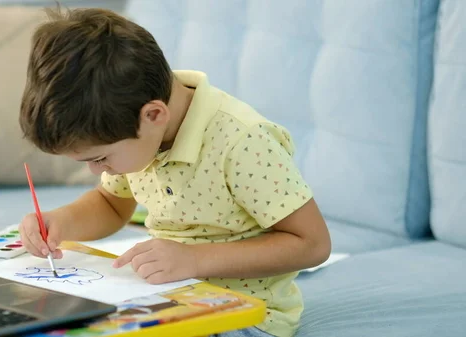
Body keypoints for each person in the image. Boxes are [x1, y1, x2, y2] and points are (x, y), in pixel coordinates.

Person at [18, 5, 331, 337]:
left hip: (243, 315)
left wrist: (194, 259)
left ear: (153, 115)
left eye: (101, 159)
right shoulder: (133, 126)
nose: (98, 171)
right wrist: (62, 222)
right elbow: (111, 205)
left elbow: (312, 244)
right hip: (166, 299)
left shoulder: (242, 141)